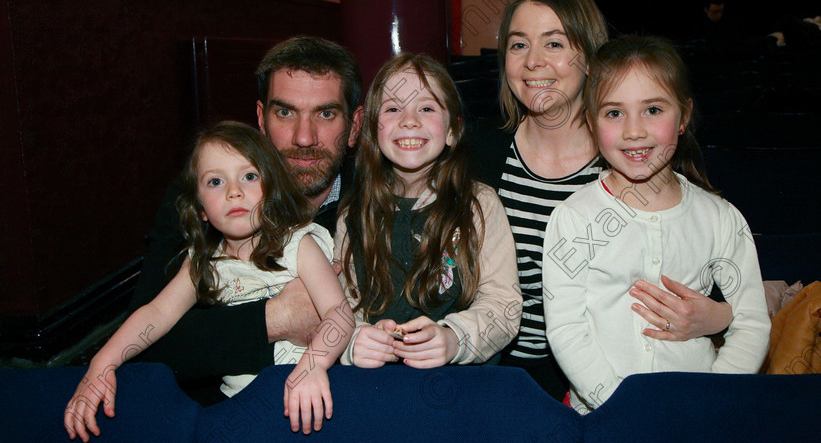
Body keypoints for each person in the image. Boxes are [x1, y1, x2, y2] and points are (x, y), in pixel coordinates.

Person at [470, 0, 735, 401]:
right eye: (519, 45)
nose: (534, 62)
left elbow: (718, 275)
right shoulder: (478, 157)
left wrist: (718, 316)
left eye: (554, 44)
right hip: (494, 372)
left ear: (591, 58)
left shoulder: (635, 157)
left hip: (597, 375)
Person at [65, 122, 353, 441]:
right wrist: (102, 362)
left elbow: (339, 315)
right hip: (241, 408)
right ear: (201, 207)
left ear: (272, 188)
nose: (234, 191)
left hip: (309, 395)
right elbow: (156, 314)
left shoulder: (298, 244)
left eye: (249, 176)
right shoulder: (204, 262)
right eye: (215, 181)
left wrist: (313, 367)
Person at [127, 36, 363, 404]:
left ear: (355, 125)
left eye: (326, 113)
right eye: (285, 112)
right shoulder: (207, 195)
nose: (304, 137)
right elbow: (149, 346)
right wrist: (274, 318)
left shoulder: (379, 200)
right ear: (260, 119)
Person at [543, 35, 771, 413]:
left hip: (697, 410)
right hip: (603, 413)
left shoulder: (720, 218)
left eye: (653, 109)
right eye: (614, 113)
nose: (634, 131)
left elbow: (751, 322)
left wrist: (714, 399)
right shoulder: (574, 218)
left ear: (683, 117)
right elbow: (567, 329)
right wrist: (620, 408)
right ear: (591, 122)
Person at [335, 53, 521, 367]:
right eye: (393, 108)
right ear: (372, 128)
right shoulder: (354, 214)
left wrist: (454, 339)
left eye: (426, 108)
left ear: (452, 130)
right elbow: (339, 308)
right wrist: (354, 340)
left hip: (460, 383)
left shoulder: (479, 204)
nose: (409, 120)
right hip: (380, 384)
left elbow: (503, 304)